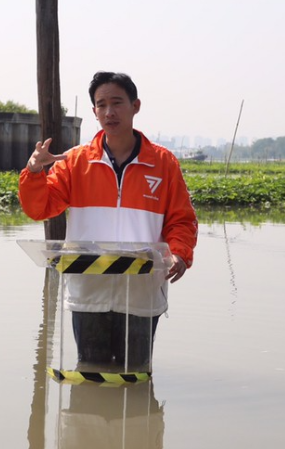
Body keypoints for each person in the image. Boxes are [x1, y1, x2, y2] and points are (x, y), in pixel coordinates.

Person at [19, 71, 198, 369]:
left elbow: (182, 219)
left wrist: (180, 253)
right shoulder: (76, 162)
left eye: (117, 103)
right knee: (89, 372)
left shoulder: (163, 163)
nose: (109, 112)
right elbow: (40, 208)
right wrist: (35, 171)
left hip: (142, 295)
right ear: (94, 112)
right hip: (89, 292)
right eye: (101, 105)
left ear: (135, 106)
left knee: (137, 374)